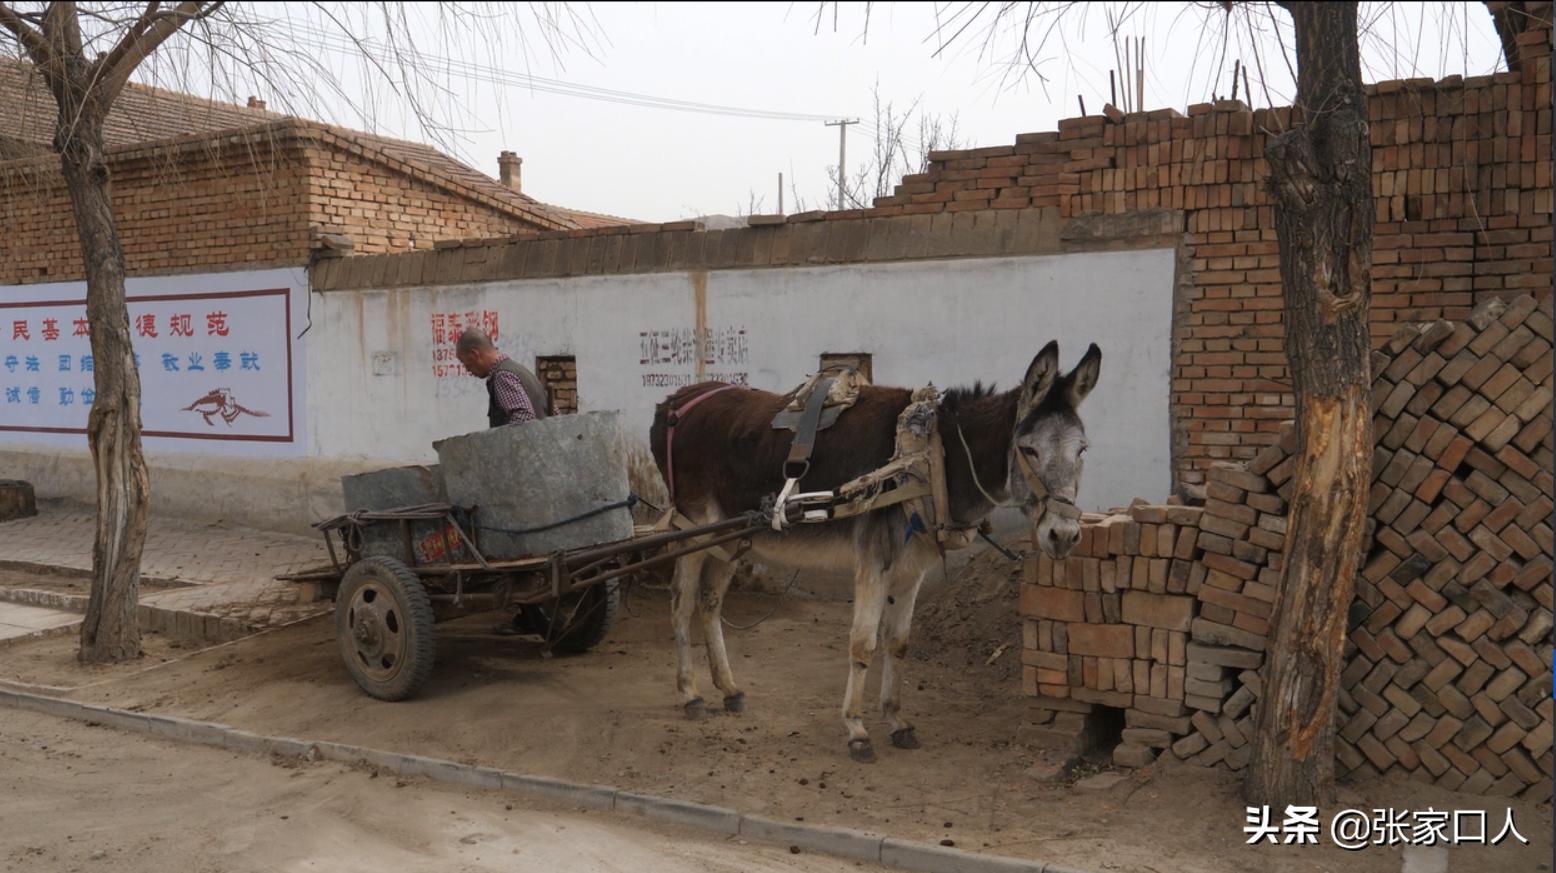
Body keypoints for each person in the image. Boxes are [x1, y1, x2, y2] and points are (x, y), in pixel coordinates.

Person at [454, 327, 550, 427]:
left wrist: (507, 441)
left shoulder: (502, 376)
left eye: (467, 365)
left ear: (475, 354)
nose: (468, 370)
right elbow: (554, 412)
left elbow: (523, 418)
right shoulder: (521, 371)